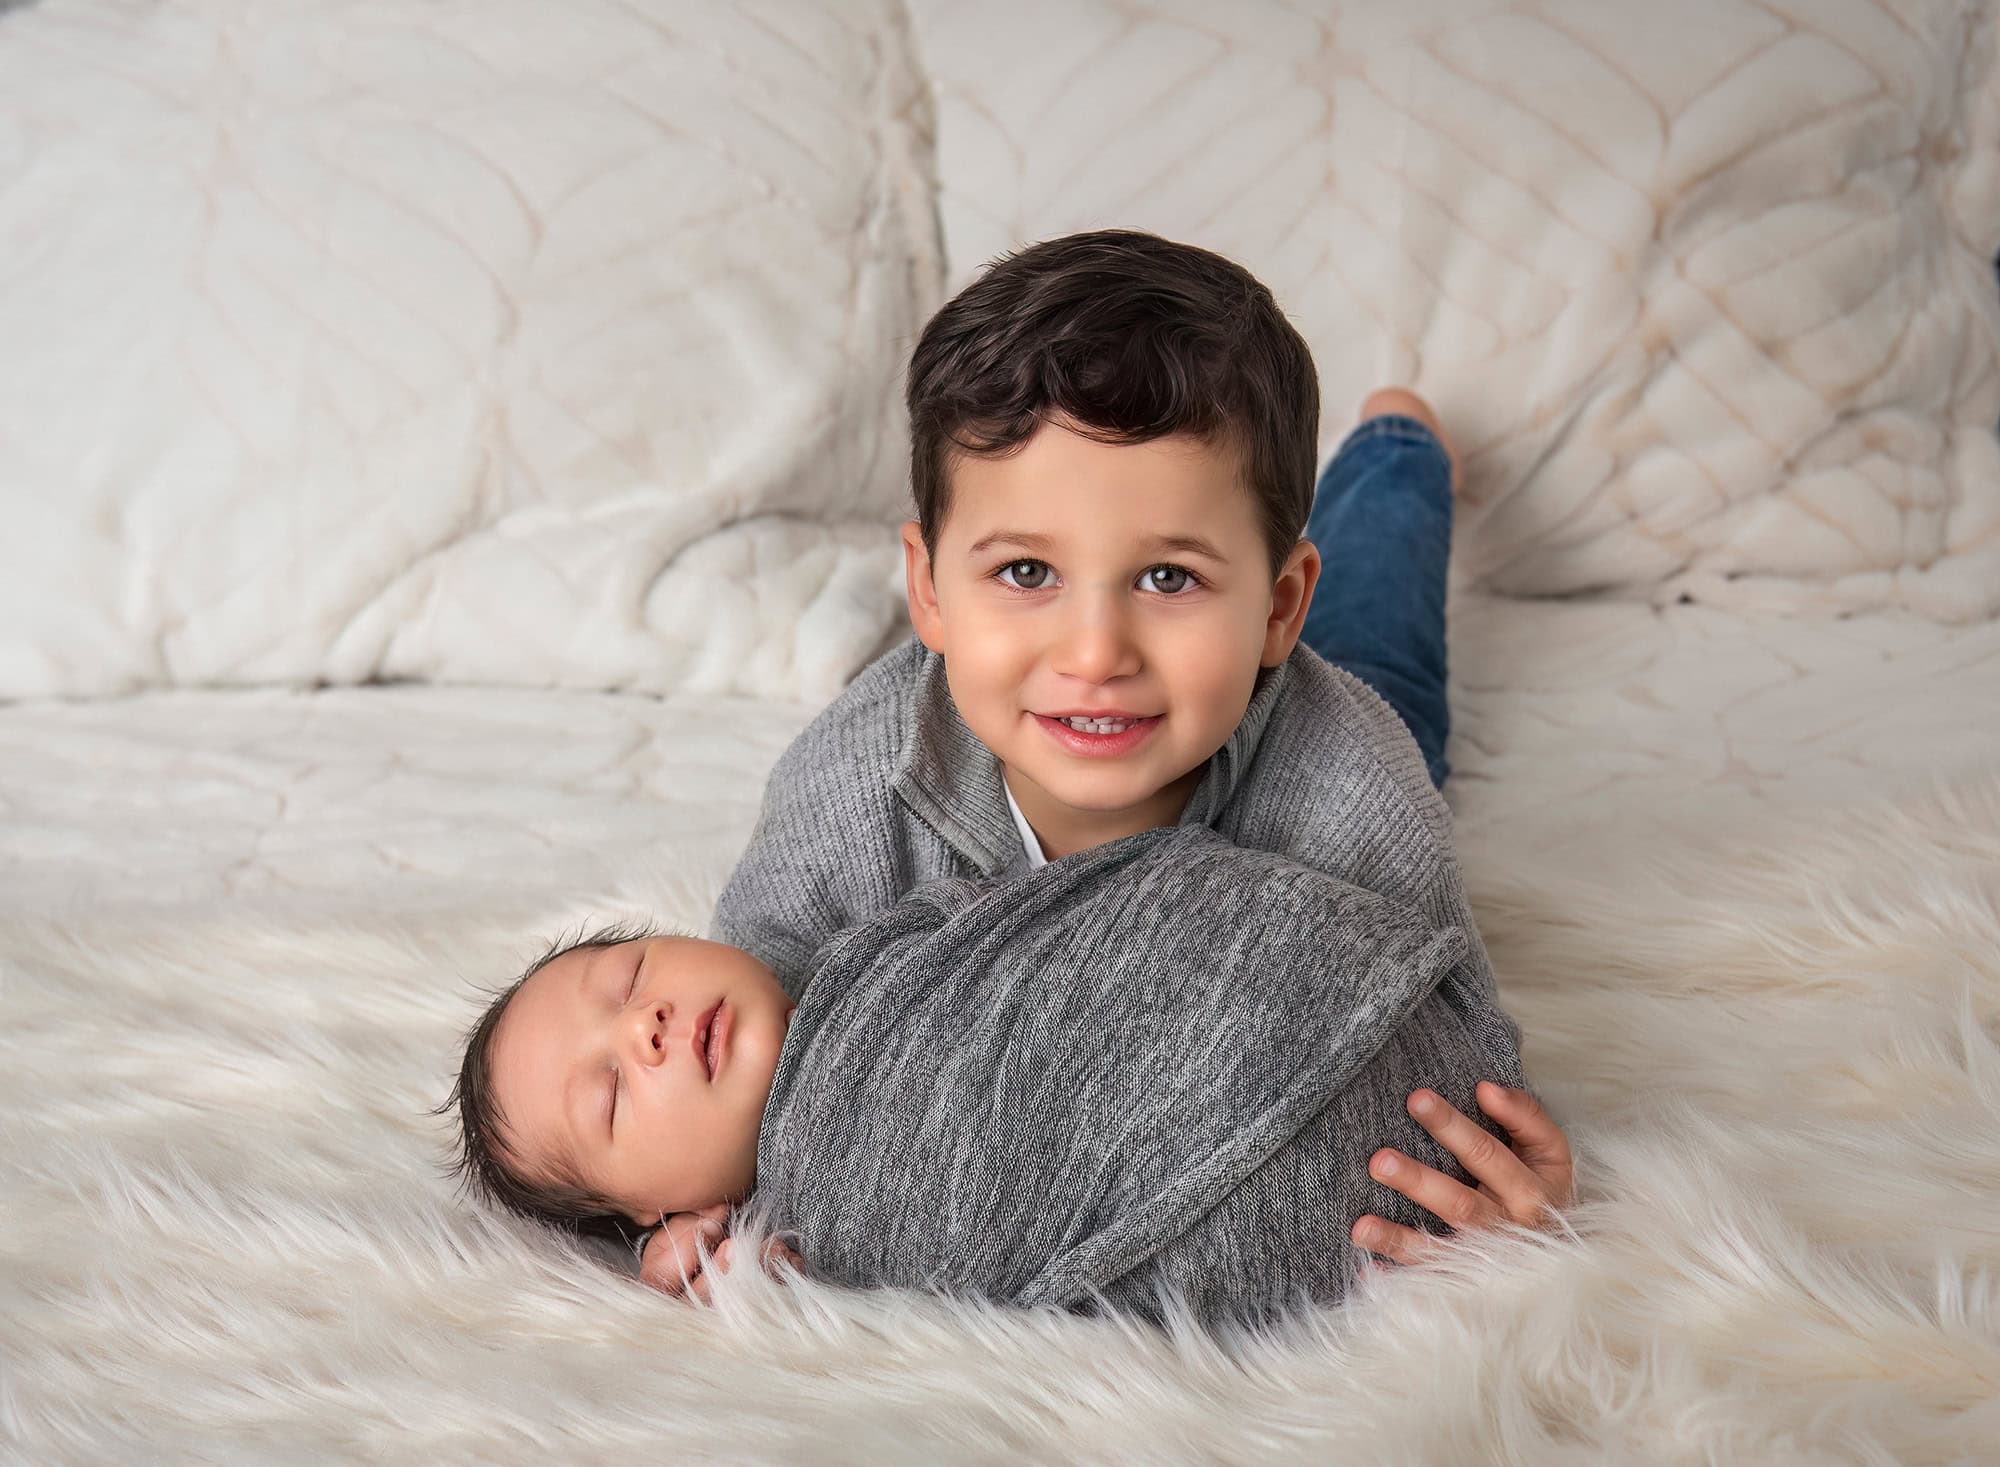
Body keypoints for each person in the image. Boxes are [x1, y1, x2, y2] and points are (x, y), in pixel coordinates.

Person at [449, 818, 1527, 1329]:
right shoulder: (797, 1227)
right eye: (609, 1097)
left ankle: (1394, 454)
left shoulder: (875, 924)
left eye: (627, 974)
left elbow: (1100, 911)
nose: (641, 1028)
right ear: (662, 1208)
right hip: (1364, 1222)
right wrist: (710, 1256)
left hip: (1362, 991)